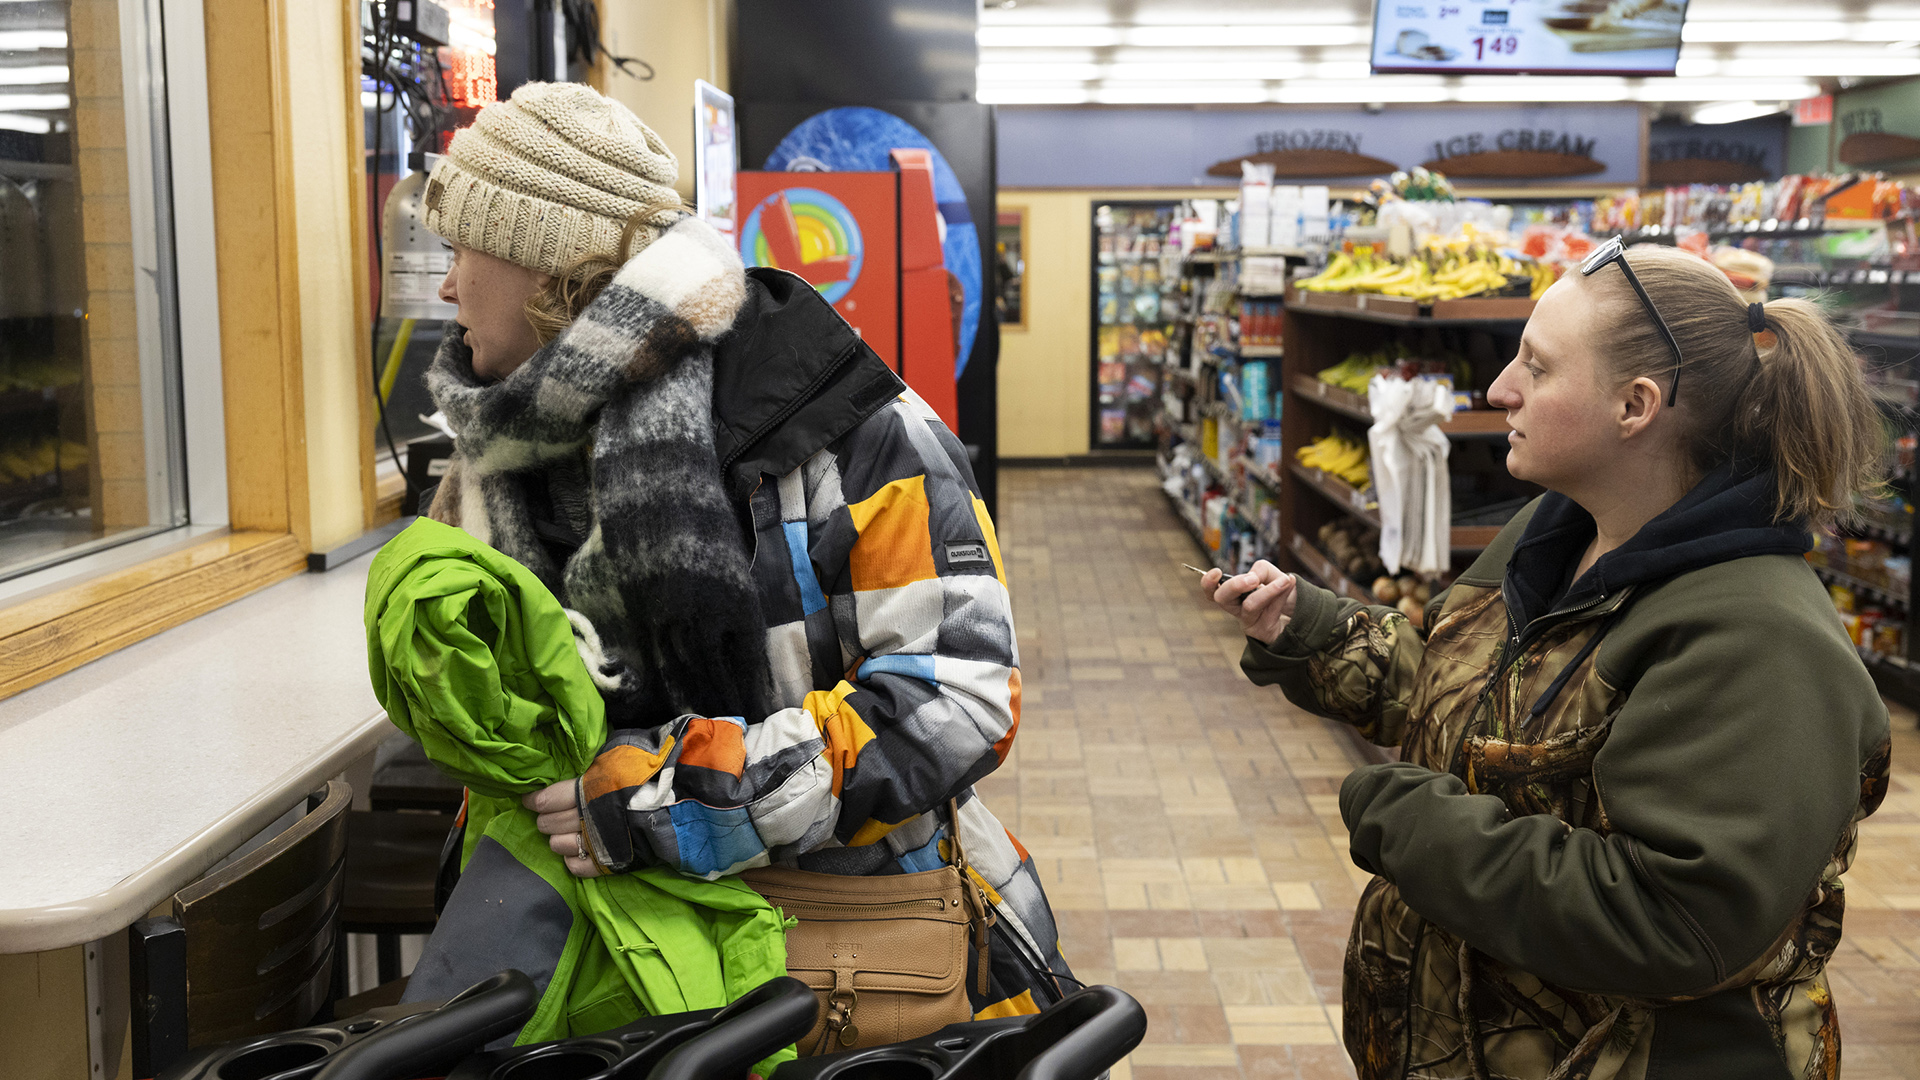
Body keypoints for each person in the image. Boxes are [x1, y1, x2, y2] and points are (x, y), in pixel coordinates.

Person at [405, 80, 1073, 1022]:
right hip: (581, 966)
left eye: (461, 251)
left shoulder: (847, 430)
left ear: (550, 267)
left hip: (826, 967)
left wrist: (666, 807)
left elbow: (954, 696)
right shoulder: (495, 456)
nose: (445, 286)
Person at [1203, 242, 1890, 1079]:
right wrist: (1311, 630)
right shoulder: (1553, 532)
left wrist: (1418, 828)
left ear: (1634, 407)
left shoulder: (1761, 642)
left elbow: (1675, 922)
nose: (1499, 389)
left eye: (1537, 364)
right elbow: (1476, 702)